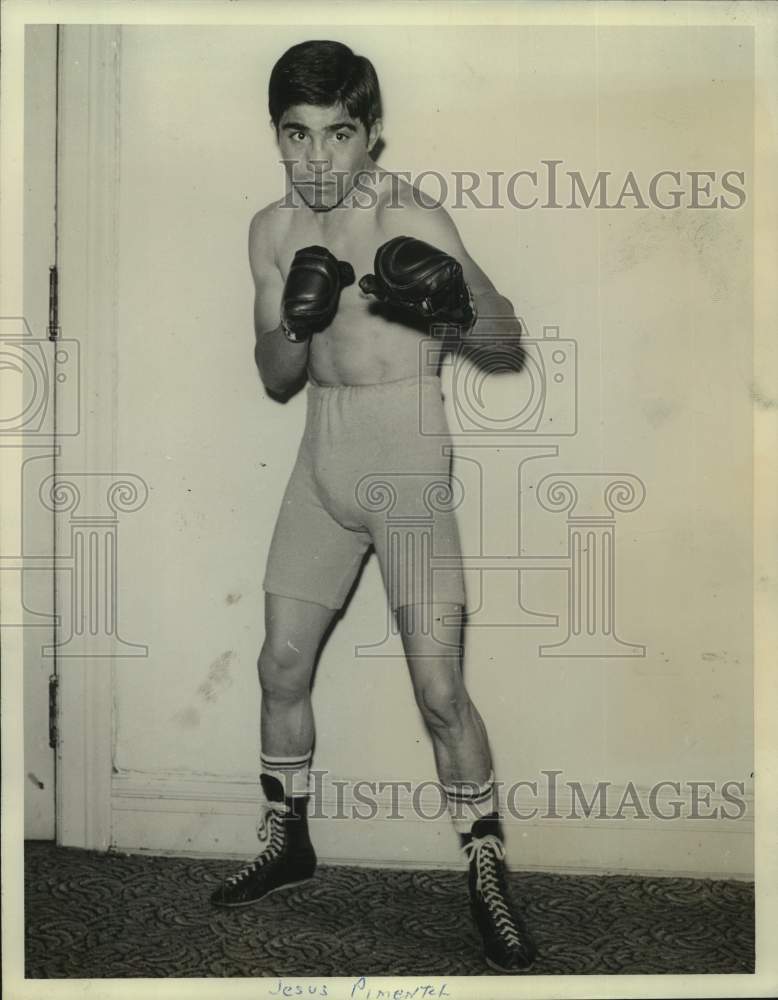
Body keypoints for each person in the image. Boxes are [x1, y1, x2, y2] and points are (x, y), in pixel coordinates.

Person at [210, 40, 536, 975]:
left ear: (371, 134)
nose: (316, 159)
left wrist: (450, 301)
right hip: (323, 457)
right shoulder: (270, 232)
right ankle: (288, 839)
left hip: (407, 464)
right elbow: (275, 377)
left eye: (338, 135)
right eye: (296, 136)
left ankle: (485, 873)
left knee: (439, 692)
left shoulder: (413, 214)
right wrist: (295, 324)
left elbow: (507, 344)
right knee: (278, 662)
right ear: (277, 136)